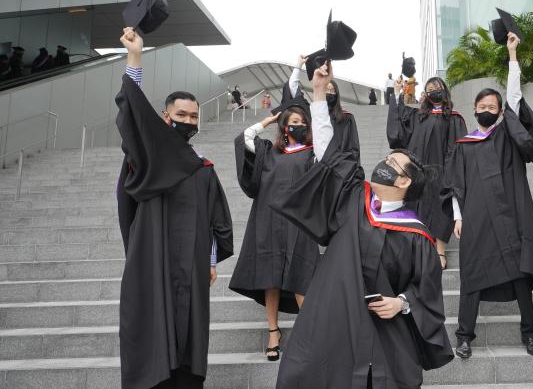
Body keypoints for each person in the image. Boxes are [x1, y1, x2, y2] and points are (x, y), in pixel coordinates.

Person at [270, 61, 453, 388]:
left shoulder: (417, 235)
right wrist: (318, 92)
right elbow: (329, 154)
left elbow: (427, 291)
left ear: (404, 182)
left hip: (386, 340)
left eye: (393, 163)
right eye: (387, 158)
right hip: (334, 326)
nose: (384, 163)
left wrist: (401, 303)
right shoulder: (355, 198)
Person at [115, 27, 234, 388]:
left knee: (188, 343)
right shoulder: (150, 158)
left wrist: (210, 260)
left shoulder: (203, 168)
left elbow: (214, 217)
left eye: (194, 117)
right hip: (153, 260)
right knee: (151, 331)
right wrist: (135, 57)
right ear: (165, 117)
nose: (188, 121)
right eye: (181, 114)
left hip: (191, 267)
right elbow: (133, 116)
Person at [443, 32, 533, 360]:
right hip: (477, 217)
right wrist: (458, 217)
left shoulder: (507, 135)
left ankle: (530, 334)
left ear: (501, 111)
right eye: (482, 106)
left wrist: (512, 56)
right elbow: (455, 184)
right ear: (474, 111)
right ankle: (464, 336)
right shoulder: (463, 145)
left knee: (519, 274)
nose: (487, 110)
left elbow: (515, 99)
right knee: (473, 274)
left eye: (492, 106)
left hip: (512, 213)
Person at [229, 101, 319, 362]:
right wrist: (267, 121)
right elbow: (244, 138)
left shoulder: (313, 153)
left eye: (303, 123)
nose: (299, 126)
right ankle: (273, 332)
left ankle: (309, 335)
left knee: (302, 275)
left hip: (299, 222)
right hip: (268, 220)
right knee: (270, 277)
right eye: (294, 123)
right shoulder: (269, 152)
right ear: (284, 127)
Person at [387, 72, 467, 270]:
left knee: (441, 209)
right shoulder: (418, 116)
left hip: (441, 171)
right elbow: (399, 121)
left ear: (444, 91)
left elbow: (458, 149)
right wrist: (396, 92)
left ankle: (440, 250)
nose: (433, 92)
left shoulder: (454, 118)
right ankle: (418, 249)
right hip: (418, 172)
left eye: (437, 88)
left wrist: (451, 171)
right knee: (416, 207)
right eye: (429, 89)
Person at [290, 54, 360, 163]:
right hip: (315, 165)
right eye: (326, 90)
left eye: (332, 91)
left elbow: (353, 148)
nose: (329, 93)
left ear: (337, 94)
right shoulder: (312, 113)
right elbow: (293, 88)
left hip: (337, 166)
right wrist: (299, 65)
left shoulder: (346, 118)